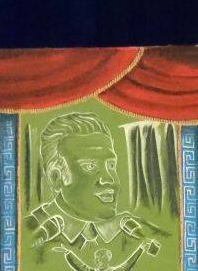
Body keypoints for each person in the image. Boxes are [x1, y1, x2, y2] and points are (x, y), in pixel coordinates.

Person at [24, 112, 147, 261]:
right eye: (90, 166)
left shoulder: (139, 232)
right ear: (56, 177)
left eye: (111, 165)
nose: (109, 179)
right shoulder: (26, 235)